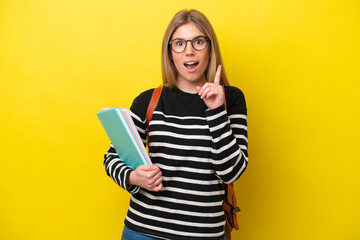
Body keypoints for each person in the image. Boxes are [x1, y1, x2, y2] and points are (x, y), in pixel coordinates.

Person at [103, 9, 248, 240]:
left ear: (210, 48)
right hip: (143, 232)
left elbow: (231, 172)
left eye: (198, 41)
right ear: (170, 53)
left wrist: (217, 111)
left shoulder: (230, 99)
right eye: (179, 43)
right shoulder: (148, 100)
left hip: (205, 235)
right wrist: (133, 177)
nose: (189, 50)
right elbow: (111, 157)